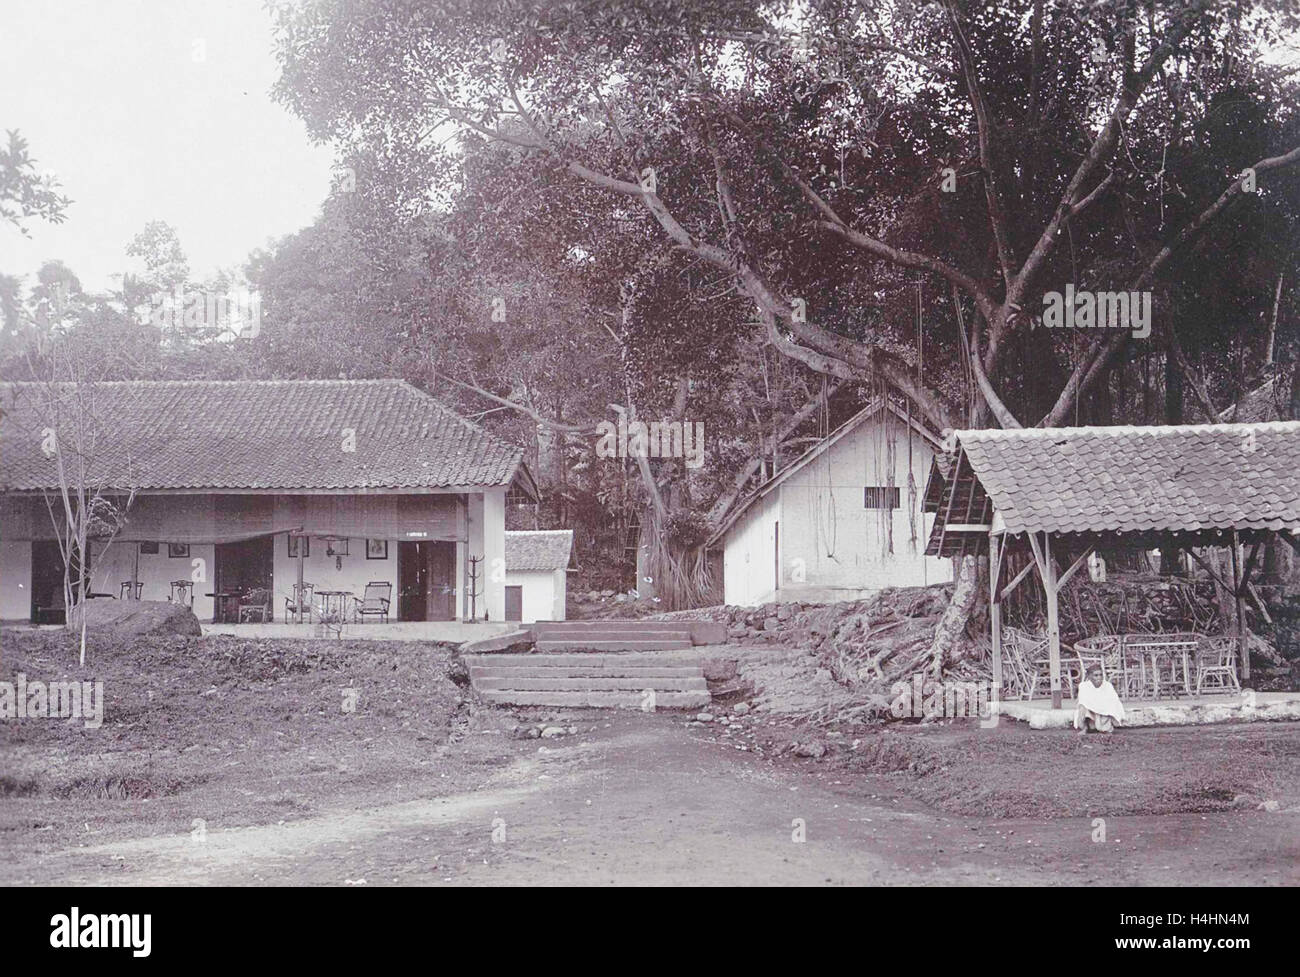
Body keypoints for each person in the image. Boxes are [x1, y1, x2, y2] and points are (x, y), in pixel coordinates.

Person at [1075, 664, 1125, 734]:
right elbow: (1084, 701)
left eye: (1101, 675)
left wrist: (1101, 706)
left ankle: (1105, 728)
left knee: (1110, 706)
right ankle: (1085, 727)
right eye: (1096, 675)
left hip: (1103, 713)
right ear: (1089, 677)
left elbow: (1114, 701)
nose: (1099, 677)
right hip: (1090, 714)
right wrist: (1095, 706)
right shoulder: (1083, 686)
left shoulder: (1108, 685)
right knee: (1082, 705)